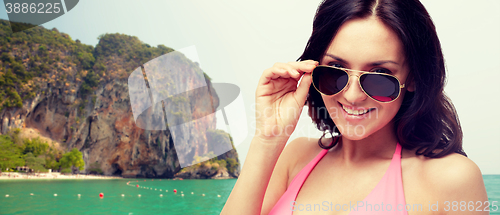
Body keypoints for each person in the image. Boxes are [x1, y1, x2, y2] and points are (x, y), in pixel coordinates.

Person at [221, 0, 488, 214]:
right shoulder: (295, 158)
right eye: (336, 69)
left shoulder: (451, 179)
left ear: (413, 78)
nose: (352, 95)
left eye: (380, 74)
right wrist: (268, 138)